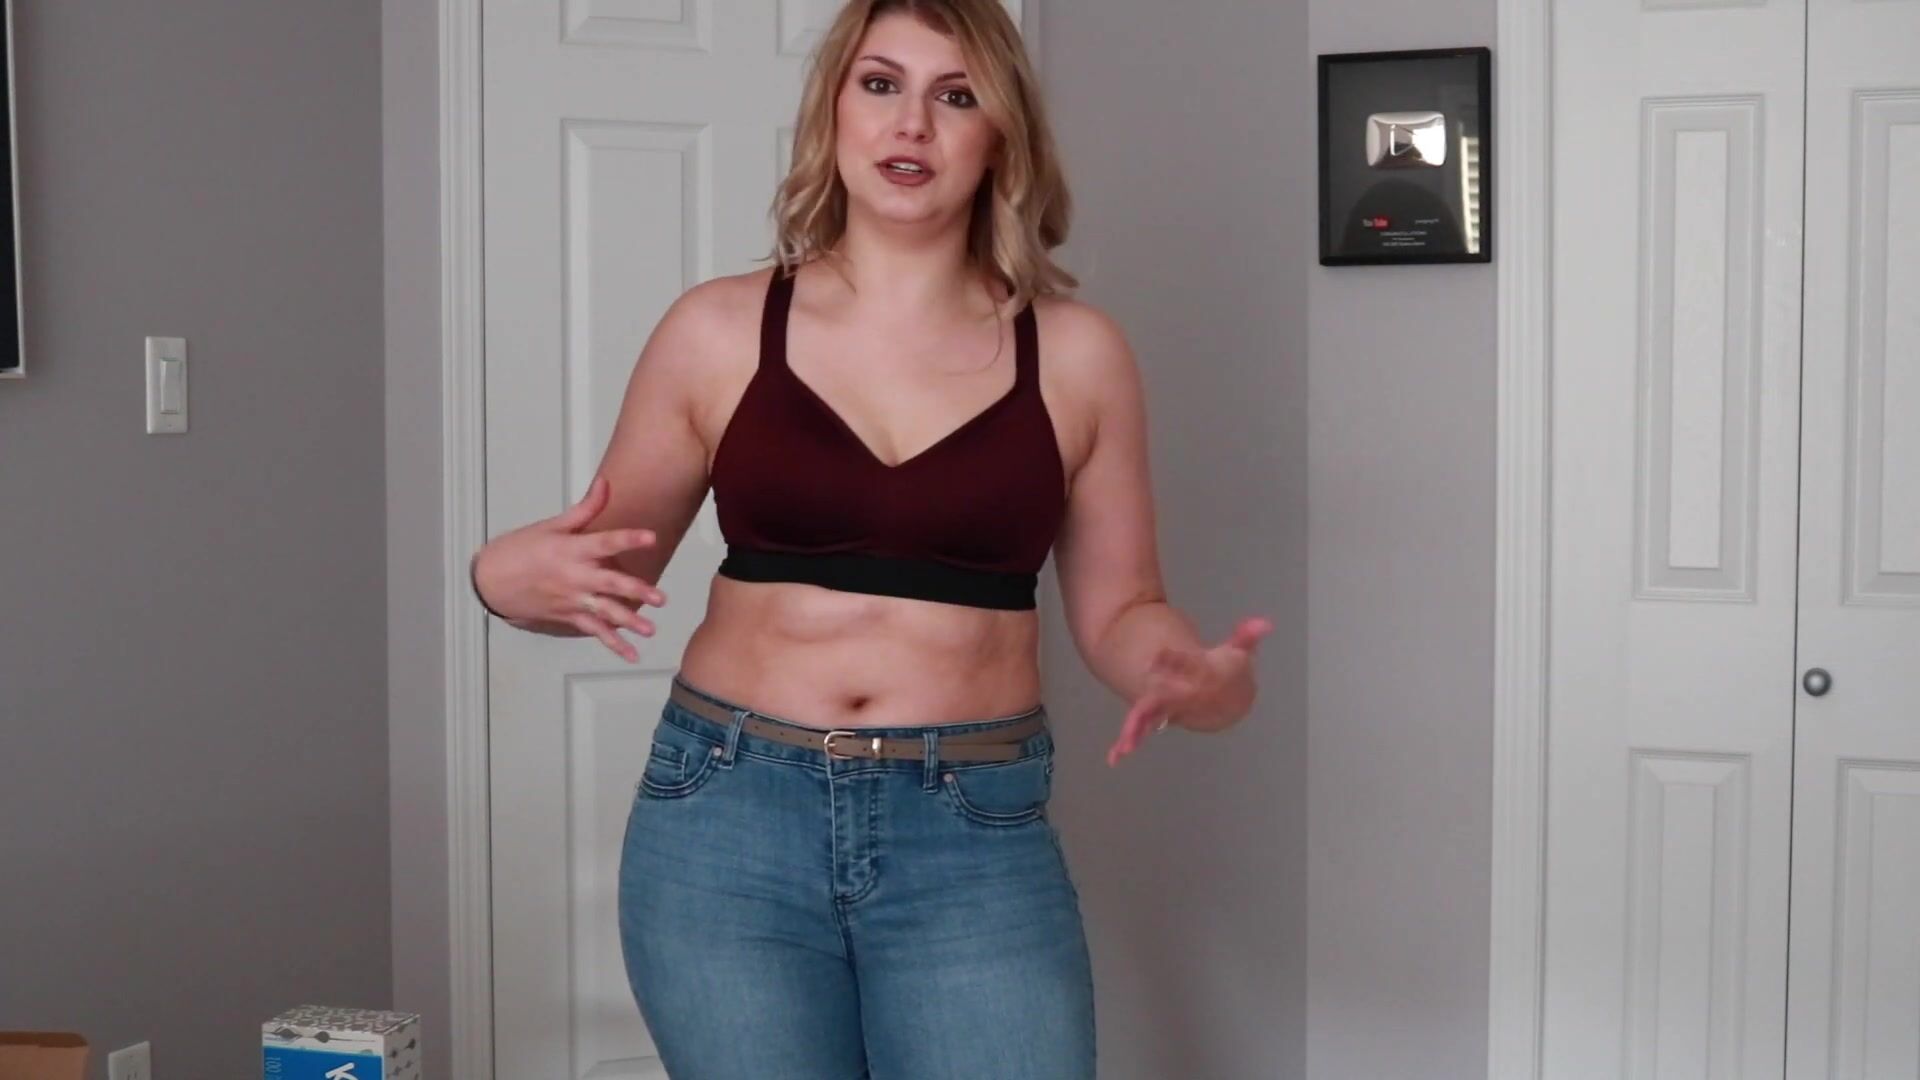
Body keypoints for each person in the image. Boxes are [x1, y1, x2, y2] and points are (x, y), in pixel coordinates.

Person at [468, 1, 1271, 1075]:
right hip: (728, 819)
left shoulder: (1078, 355)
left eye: (957, 95)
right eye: (881, 84)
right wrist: (499, 577)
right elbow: (604, 564)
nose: (912, 124)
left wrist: (1193, 678)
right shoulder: (716, 330)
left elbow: (1124, 609)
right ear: (834, 111)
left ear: (1002, 135)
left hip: (972, 830)